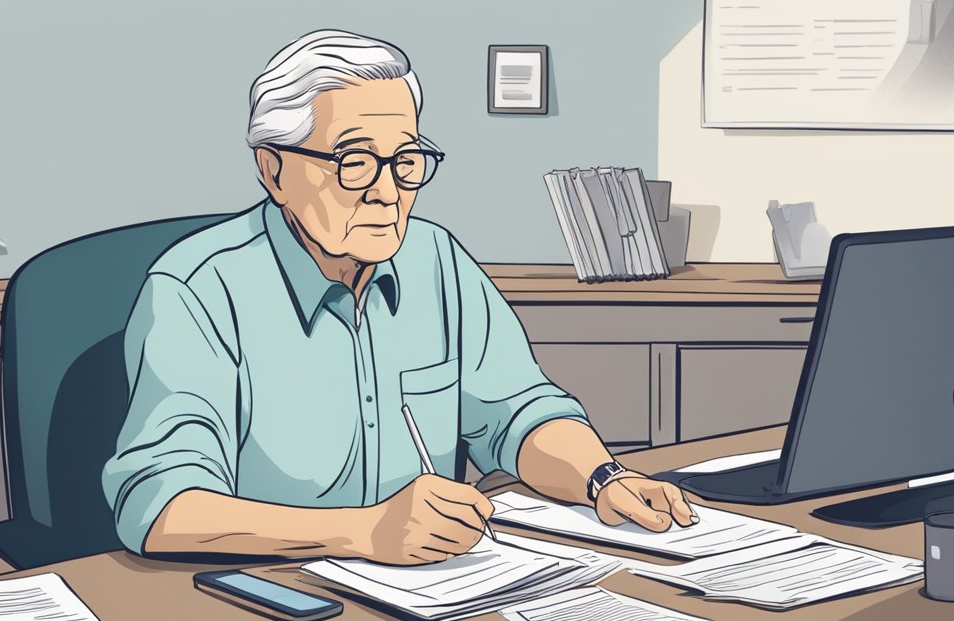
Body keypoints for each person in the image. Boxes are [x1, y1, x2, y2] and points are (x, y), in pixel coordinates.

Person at [102, 30, 700, 565]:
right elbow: (161, 509)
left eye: (407, 160)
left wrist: (602, 478)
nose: (389, 192)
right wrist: (364, 533)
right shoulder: (198, 289)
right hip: (260, 601)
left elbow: (519, 413)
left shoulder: (435, 260)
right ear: (274, 170)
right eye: (355, 163)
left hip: (430, 594)